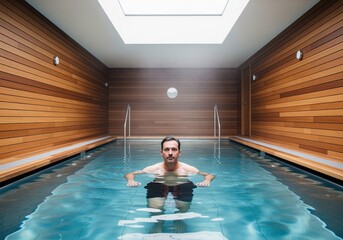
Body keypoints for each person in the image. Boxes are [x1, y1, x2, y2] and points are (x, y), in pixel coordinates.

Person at [124, 135, 215, 233]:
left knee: (183, 206)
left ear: (179, 153)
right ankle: (158, 222)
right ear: (161, 152)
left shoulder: (187, 169)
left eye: (174, 149)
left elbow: (209, 175)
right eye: (167, 149)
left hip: (181, 185)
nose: (170, 153)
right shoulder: (154, 168)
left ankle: (179, 219)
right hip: (159, 185)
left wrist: (207, 180)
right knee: (155, 207)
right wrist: (130, 180)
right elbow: (130, 174)